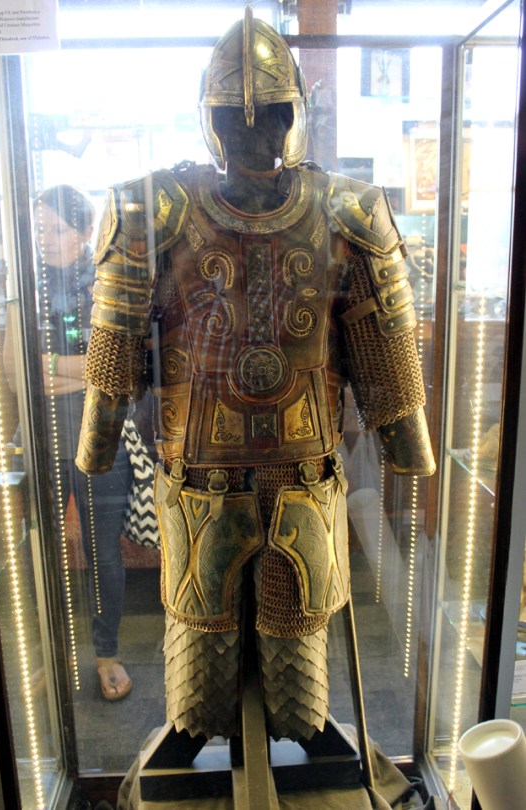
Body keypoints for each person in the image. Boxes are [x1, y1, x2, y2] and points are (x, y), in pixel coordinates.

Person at [76, 9, 434, 747]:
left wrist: (408, 446)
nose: (253, 131)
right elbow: (114, 355)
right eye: (239, 118)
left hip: (303, 473)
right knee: (198, 698)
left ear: (292, 116)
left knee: (299, 700)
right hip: (198, 478)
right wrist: (97, 445)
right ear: (212, 121)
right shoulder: (151, 210)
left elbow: (387, 359)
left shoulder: (347, 211)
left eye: (268, 115)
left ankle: (301, 743)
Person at [33, 185, 133, 701]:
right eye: (40, 229)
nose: (45, 239)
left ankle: (105, 653)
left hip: (101, 434)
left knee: (102, 551)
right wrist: (80, 371)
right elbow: (19, 374)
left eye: (57, 229)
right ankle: (51, 652)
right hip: (46, 434)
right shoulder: (28, 285)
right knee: (41, 547)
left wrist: (52, 367)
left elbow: (118, 366)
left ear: (85, 231)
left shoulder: (105, 281)